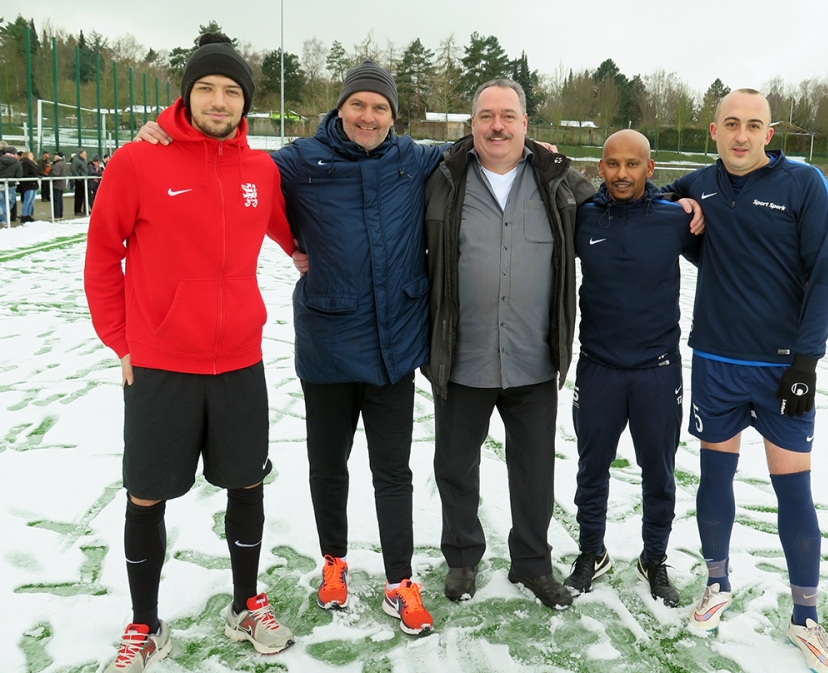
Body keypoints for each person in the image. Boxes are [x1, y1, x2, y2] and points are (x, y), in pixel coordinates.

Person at [137, 59, 447, 636]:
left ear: (394, 116)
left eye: (380, 107)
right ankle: (334, 563)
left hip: (395, 345)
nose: (368, 116)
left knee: (393, 471)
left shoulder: (413, 157)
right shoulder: (301, 160)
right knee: (327, 466)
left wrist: (535, 147)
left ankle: (401, 580)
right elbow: (227, 162)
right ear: (341, 107)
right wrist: (164, 131)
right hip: (329, 342)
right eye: (358, 104)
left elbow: (480, 147)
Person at [85, 33, 298, 673]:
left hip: (239, 362)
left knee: (247, 483)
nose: (219, 101)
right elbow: (102, 256)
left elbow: (298, 237)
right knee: (147, 495)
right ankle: (145, 624)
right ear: (186, 94)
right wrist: (120, 341)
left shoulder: (261, 171)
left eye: (232, 91)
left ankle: (246, 604)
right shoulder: (137, 161)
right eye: (206, 88)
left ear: (246, 103)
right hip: (160, 364)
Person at [664, 89, 828, 671]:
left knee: (794, 489)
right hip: (716, 359)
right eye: (731, 124)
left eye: (753, 125)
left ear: (769, 133)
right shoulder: (699, 183)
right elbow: (650, 198)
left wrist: (806, 362)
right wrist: (681, 207)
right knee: (715, 475)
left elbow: (826, 276)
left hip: (781, 367)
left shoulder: (804, 184)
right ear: (713, 131)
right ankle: (716, 584)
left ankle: (805, 615)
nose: (741, 135)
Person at [424, 78, 595, 609]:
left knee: (534, 470)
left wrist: (679, 203)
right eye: (486, 116)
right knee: (455, 466)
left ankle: (532, 564)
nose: (496, 126)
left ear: (525, 123)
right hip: (462, 356)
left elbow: (621, 201)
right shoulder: (442, 178)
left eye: (507, 116)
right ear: (471, 123)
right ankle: (462, 558)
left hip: (533, 356)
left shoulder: (557, 180)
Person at [564, 130, 701, 606]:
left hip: (657, 371)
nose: (622, 174)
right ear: (600, 167)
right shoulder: (582, 217)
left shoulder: (674, 220)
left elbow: (726, 257)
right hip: (598, 368)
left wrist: (689, 202)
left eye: (633, 164)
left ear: (650, 168)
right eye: (613, 164)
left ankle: (654, 558)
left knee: (659, 472)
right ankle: (591, 551)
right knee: (591, 468)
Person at [1, 146, 22, 226]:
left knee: (1, 202)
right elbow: (19, 175)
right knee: (10, 202)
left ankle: (3, 219)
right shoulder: (17, 162)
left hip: (0, 184)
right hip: (10, 185)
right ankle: (4, 219)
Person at [18, 150, 39, 223]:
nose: (32, 157)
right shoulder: (24, 163)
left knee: (31, 201)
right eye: (31, 155)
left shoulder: (33, 163)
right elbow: (24, 174)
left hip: (33, 183)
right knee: (27, 201)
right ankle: (24, 216)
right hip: (28, 184)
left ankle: (29, 215)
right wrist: (34, 177)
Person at [50, 151, 68, 219]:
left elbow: (55, 174)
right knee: (60, 200)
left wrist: (49, 175)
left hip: (57, 184)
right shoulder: (64, 163)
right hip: (62, 184)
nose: (54, 157)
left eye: (55, 156)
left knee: (56, 200)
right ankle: (60, 214)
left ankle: (56, 215)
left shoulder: (57, 165)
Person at [71, 148, 88, 215]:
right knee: (78, 195)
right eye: (84, 154)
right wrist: (79, 178)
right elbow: (73, 169)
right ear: (80, 154)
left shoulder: (83, 160)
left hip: (84, 179)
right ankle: (77, 210)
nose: (85, 155)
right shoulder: (76, 160)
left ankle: (84, 210)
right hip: (79, 180)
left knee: (83, 195)